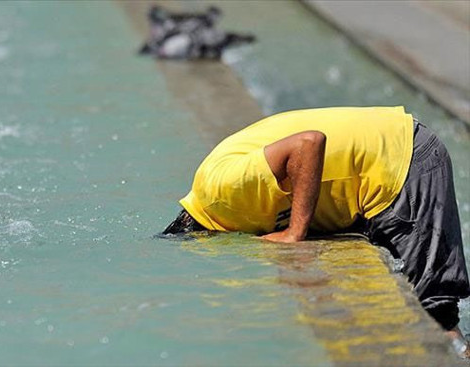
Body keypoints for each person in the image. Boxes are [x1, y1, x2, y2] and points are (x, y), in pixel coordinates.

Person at [163, 106, 470, 347]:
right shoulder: (219, 199)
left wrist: (295, 232)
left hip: (401, 161)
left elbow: (309, 142)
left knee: (436, 316)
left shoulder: (221, 192)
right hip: (385, 160)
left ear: (201, 236)